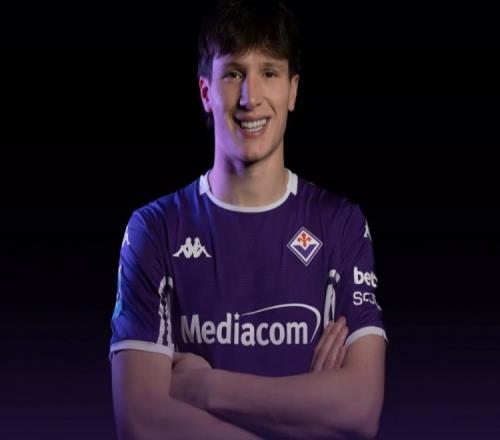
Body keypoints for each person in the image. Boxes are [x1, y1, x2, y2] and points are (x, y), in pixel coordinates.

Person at [109, 0, 387, 438]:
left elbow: (360, 410)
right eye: (234, 73)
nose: (249, 97)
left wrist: (207, 388)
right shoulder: (155, 229)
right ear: (206, 92)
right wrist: (308, 413)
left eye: (269, 73)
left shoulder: (340, 225)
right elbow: (140, 421)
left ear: (293, 91)